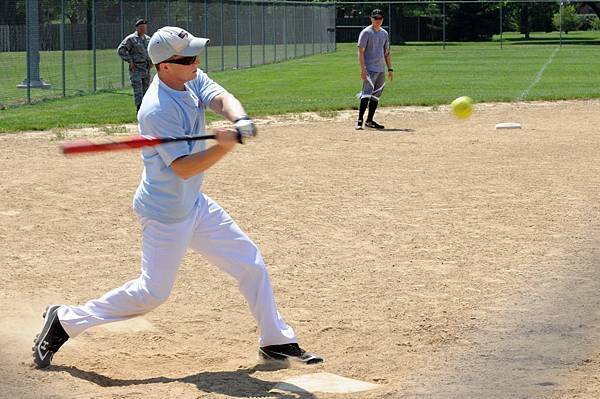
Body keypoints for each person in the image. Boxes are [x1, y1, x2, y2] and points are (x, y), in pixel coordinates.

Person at [32, 26, 323, 369]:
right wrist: (224, 146)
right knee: (151, 293)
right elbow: (184, 167)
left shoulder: (188, 77)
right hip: (166, 213)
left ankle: (276, 340)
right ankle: (64, 320)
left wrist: (239, 118)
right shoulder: (156, 109)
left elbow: (219, 97)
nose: (196, 61)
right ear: (164, 66)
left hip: (194, 204)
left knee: (249, 261)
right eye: (188, 58)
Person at [356, 9, 393, 130]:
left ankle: (369, 121)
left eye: (379, 18)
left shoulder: (384, 33)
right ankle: (359, 121)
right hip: (369, 69)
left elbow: (386, 53)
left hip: (380, 69)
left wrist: (390, 69)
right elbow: (360, 52)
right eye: (375, 18)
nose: (377, 21)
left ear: (382, 20)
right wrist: (363, 69)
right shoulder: (366, 32)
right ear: (371, 19)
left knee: (376, 95)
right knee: (366, 94)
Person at [118, 19, 152, 111]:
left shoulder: (148, 39)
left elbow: (151, 51)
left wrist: (151, 61)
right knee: (138, 91)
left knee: (146, 90)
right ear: (137, 28)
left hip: (146, 68)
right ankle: (139, 110)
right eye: (141, 27)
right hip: (136, 68)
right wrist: (130, 61)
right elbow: (121, 50)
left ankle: (145, 110)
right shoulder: (131, 39)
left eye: (145, 27)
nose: (143, 29)